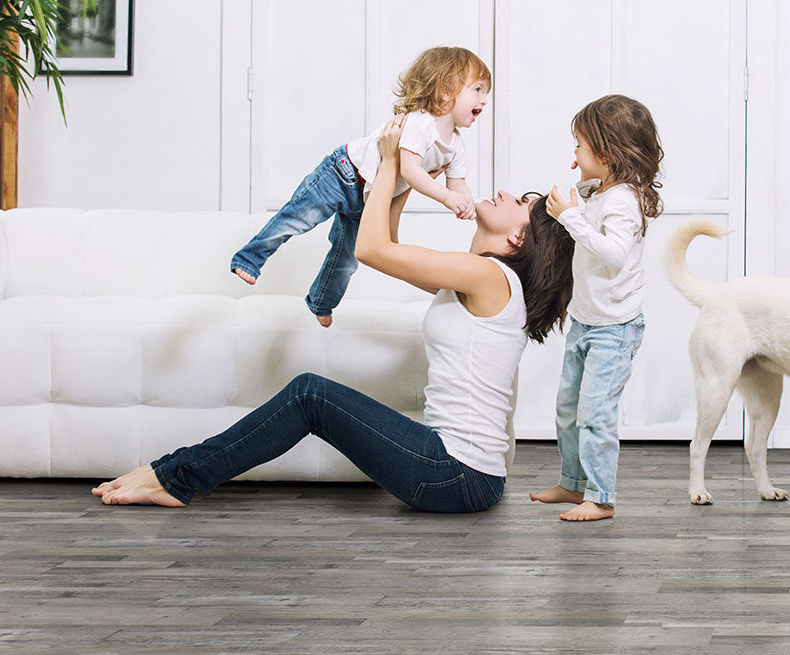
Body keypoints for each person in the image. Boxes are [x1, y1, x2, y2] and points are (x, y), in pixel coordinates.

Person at [93, 115, 574, 512]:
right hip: (460, 474)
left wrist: (390, 163)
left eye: (521, 203)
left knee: (310, 395)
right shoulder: (482, 279)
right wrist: (406, 171)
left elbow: (369, 248)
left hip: (456, 475)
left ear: (518, 238)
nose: (507, 193)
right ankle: (173, 473)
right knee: (310, 395)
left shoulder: (488, 277)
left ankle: (175, 476)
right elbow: (387, 246)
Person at [229, 46, 488, 328]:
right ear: (446, 91)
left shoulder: (456, 145)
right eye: (477, 90)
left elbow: (458, 183)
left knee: (347, 258)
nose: (484, 100)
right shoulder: (419, 123)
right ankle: (249, 258)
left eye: (485, 92)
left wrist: (466, 203)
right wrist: (447, 197)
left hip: (369, 199)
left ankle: (321, 302)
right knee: (297, 218)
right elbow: (411, 171)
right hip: (343, 174)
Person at [529, 94, 664, 522]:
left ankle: (601, 497)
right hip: (586, 321)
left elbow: (614, 254)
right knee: (569, 410)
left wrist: (571, 216)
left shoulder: (624, 200)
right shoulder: (605, 193)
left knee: (595, 414)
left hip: (614, 328)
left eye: (579, 145)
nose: (574, 153)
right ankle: (573, 483)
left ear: (605, 153)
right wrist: (584, 190)